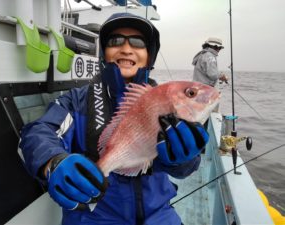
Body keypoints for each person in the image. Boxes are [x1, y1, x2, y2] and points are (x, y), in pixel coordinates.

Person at [20, 12, 209, 225]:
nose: (126, 49)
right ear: (104, 53)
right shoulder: (77, 100)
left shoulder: (165, 100)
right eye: (115, 41)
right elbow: (37, 131)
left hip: (159, 215)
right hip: (93, 217)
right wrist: (52, 161)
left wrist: (184, 159)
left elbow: (187, 169)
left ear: (150, 55)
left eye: (137, 42)